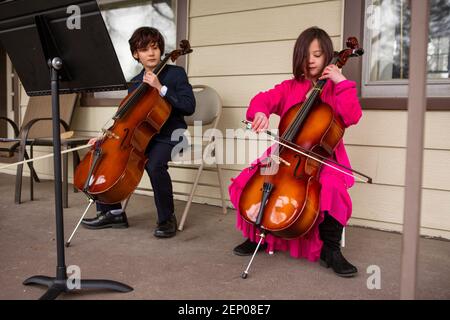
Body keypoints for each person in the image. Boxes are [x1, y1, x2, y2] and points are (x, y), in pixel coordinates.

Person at [228, 27, 362, 277]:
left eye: (318, 54)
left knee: (333, 189)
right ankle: (260, 235)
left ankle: (331, 250)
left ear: (328, 57)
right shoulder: (290, 87)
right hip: (284, 151)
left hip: (322, 158)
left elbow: (351, 115)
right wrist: (260, 112)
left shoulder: (335, 88)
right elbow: (263, 99)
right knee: (248, 182)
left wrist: (341, 82)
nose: (311, 60)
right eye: (305, 55)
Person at [81, 27, 195, 238]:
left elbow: (189, 106)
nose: (151, 53)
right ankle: (113, 213)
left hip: (171, 136)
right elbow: (126, 118)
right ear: (136, 54)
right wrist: (105, 137)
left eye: (155, 47)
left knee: (154, 165)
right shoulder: (135, 82)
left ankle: (166, 218)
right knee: (107, 155)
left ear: (161, 50)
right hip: (141, 136)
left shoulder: (175, 74)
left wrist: (161, 88)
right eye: (144, 49)